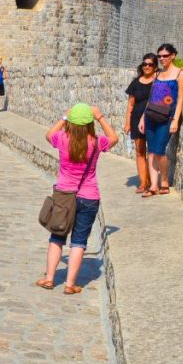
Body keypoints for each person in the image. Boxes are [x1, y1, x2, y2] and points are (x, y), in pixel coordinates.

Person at [36, 103, 118, 294]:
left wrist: (64, 118)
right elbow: (114, 138)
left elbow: (48, 135)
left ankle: (49, 279)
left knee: (57, 236)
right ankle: (70, 284)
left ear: (71, 123)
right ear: (90, 123)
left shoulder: (63, 139)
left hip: (64, 196)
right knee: (79, 241)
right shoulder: (96, 142)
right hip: (89, 196)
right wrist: (100, 117)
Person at [138, 43, 183, 197]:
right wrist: (142, 117)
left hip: (167, 118)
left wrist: (175, 120)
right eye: (159, 56)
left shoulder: (180, 75)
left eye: (165, 56)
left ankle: (164, 180)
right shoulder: (157, 74)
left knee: (159, 151)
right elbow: (151, 98)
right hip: (151, 116)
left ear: (173, 56)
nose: (162, 58)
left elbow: (180, 99)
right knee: (151, 151)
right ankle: (153, 185)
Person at [124, 53, 157, 193]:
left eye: (150, 64)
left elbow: (175, 72)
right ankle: (143, 182)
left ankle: (152, 181)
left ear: (155, 66)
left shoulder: (158, 79)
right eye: (145, 64)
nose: (147, 67)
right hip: (136, 119)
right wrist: (127, 123)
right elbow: (130, 105)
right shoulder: (136, 83)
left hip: (153, 118)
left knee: (153, 151)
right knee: (139, 151)